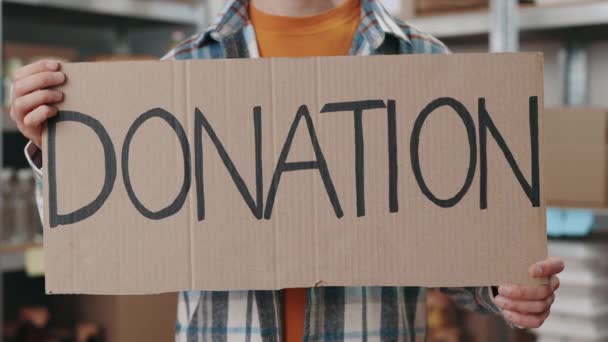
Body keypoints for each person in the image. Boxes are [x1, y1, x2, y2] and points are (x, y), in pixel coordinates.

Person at [10, 0, 564, 340]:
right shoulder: (182, 71)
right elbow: (111, 238)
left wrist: (504, 286)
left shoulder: (424, 65)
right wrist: (61, 149)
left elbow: (460, 247)